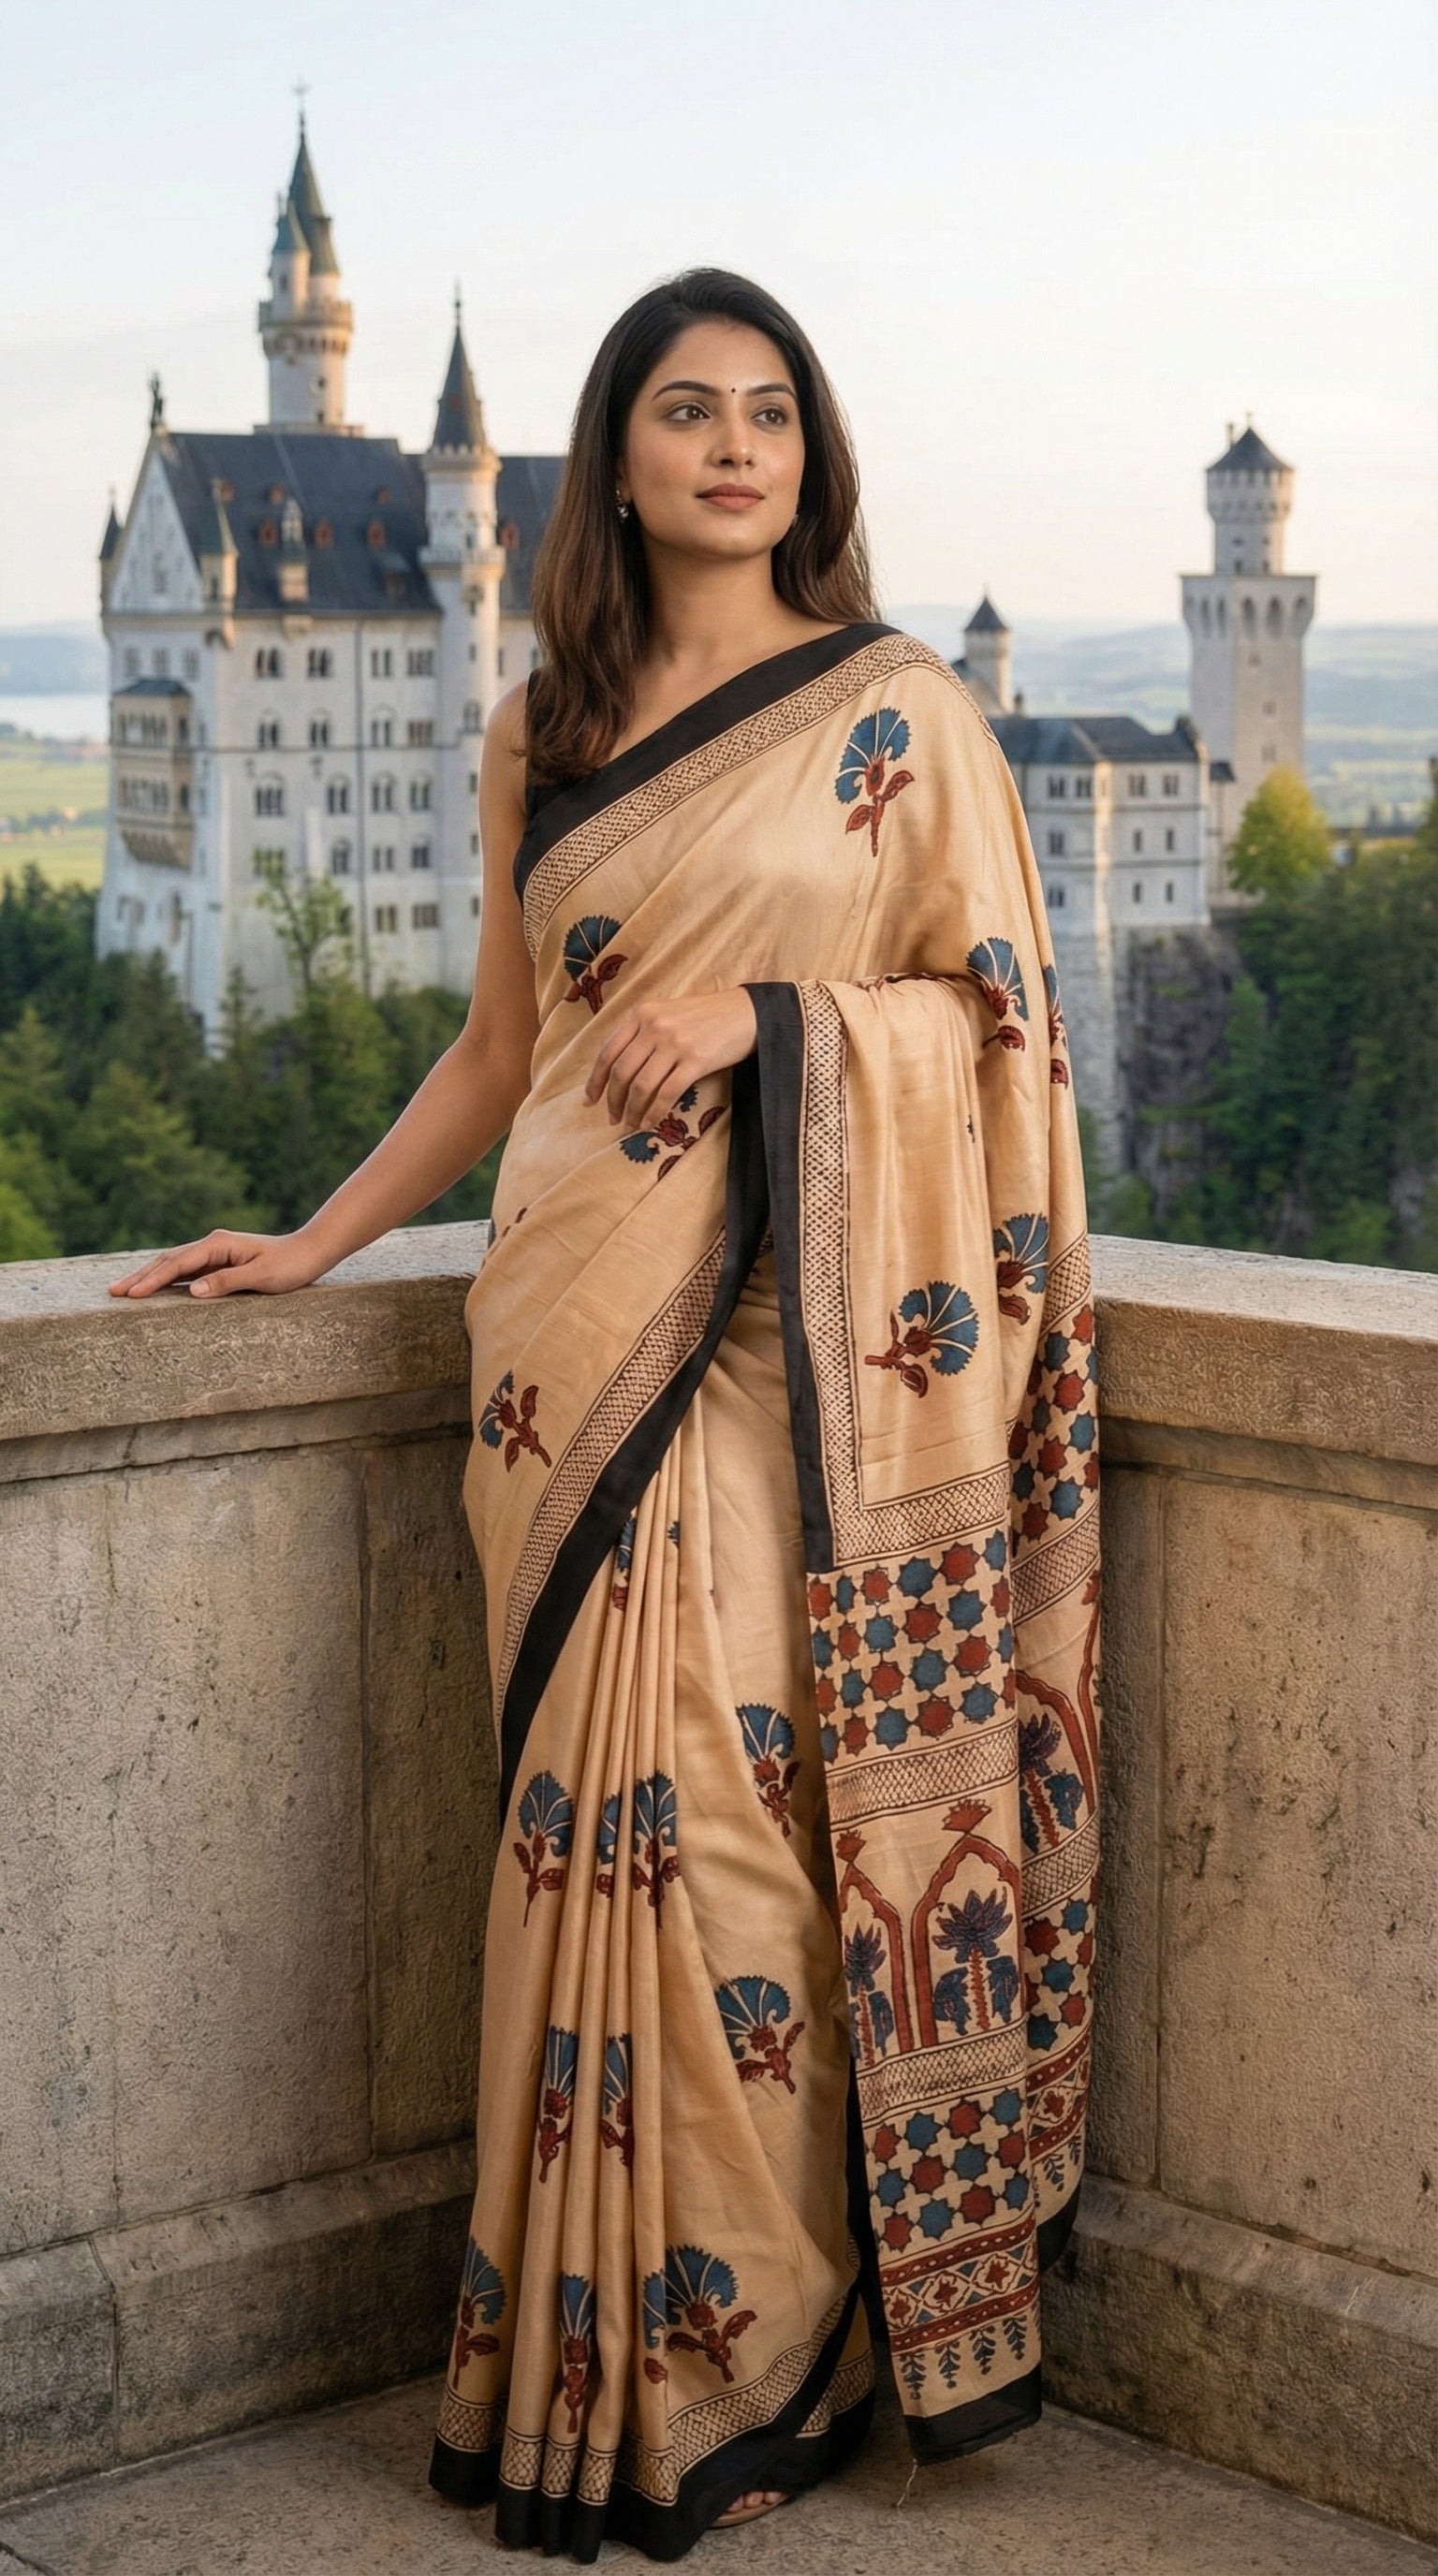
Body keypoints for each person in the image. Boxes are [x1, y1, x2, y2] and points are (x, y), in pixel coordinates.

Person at [111, 268, 1102, 2564]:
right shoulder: (545, 724)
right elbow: (495, 1054)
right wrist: (312, 1240)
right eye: (686, 412)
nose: (732, 448)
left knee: (736, 1813)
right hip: (555, 1335)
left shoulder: (897, 714)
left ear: (807, 455)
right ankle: (577, 2366)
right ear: (614, 456)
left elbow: (991, 1024)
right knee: (572, 1820)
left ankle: (749, 2345)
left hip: (780, 1331)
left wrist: (777, 1018)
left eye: (769, 412)